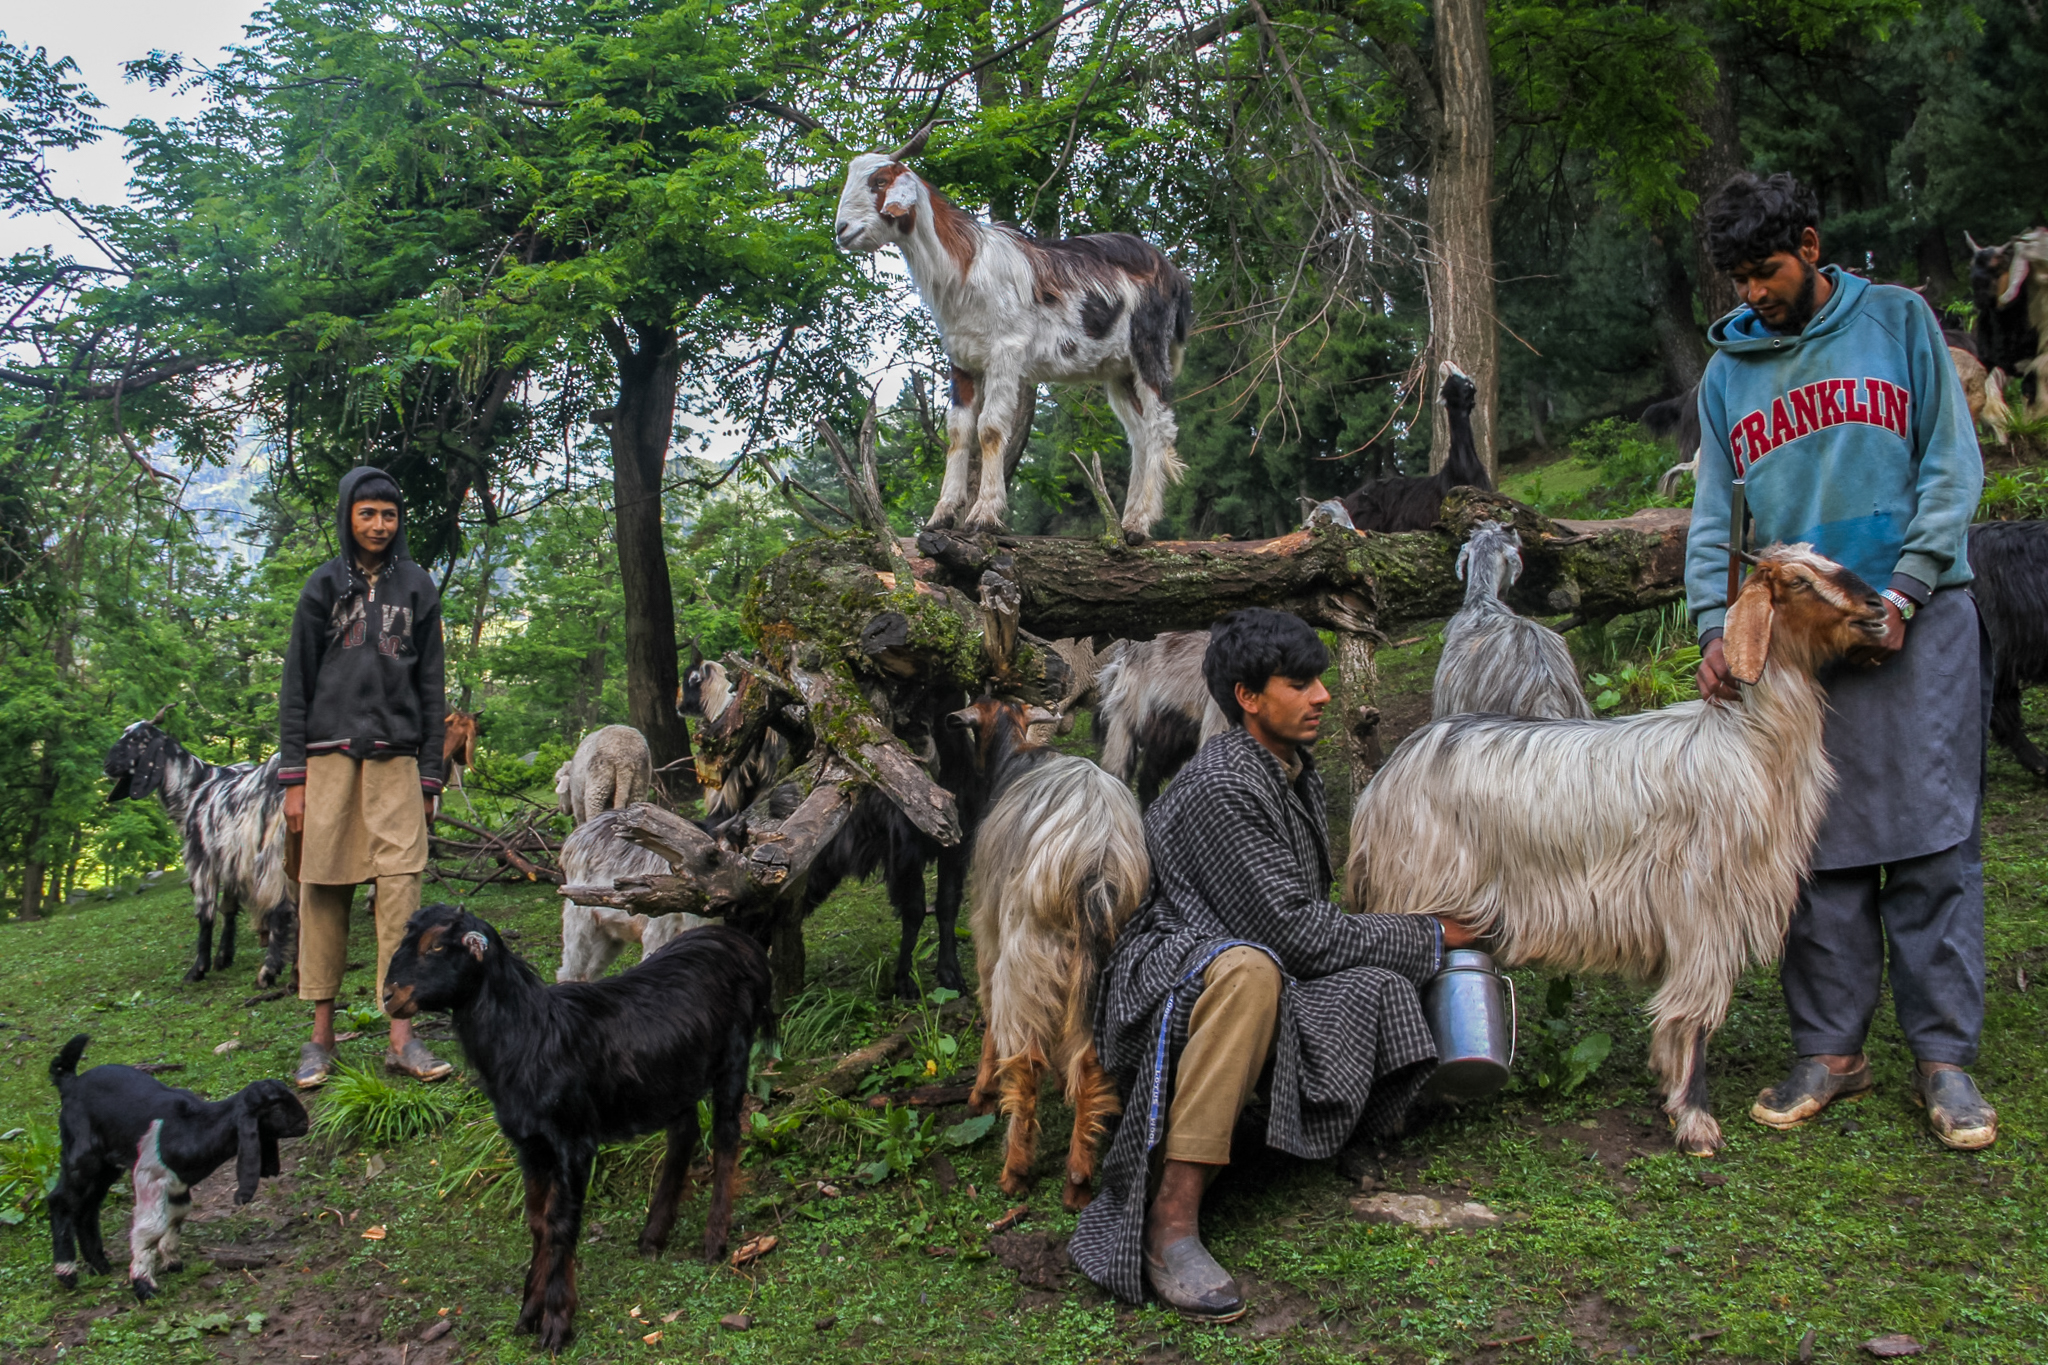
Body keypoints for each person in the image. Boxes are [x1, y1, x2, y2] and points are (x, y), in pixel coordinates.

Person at [1685, 172, 1993, 1149]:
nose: (1751, 294)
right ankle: (1829, 1048)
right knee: (1814, 847)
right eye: (1735, 279)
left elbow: (1949, 465)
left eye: (1764, 271)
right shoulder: (1724, 375)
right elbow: (1711, 518)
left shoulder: (1898, 325)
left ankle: (1943, 1061)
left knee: (1932, 838)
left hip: (1919, 611)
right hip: (1797, 638)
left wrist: (1901, 592)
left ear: (1810, 246)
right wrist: (1709, 626)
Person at [1068, 608, 1477, 1319]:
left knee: (1374, 981)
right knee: (1256, 968)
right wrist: (1431, 932)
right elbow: (1299, 936)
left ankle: (1333, 1133)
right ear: (1248, 696)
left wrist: (1410, 943)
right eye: (1300, 682)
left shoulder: (1291, 770)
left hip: (1240, 949)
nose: (1322, 695)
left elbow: (1296, 926)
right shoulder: (1225, 783)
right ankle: (1171, 1216)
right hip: (1168, 972)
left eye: (1320, 680)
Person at [281, 466, 452, 1088]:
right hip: (327, 763)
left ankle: (401, 1036)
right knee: (324, 891)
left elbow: (431, 689)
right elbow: (295, 688)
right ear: (348, 516)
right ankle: (320, 1038)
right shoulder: (322, 586)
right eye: (368, 513)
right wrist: (294, 780)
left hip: (397, 763)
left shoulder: (417, 587)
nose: (379, 525)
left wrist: (429, 775)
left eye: (389, 514)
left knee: (402, 895)